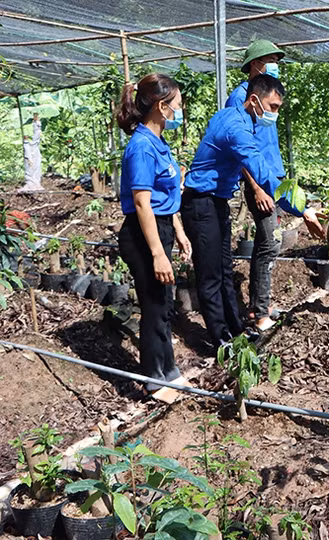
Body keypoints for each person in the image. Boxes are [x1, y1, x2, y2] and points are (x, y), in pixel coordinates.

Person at [182, 74, 323, 347]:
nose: (275, 114)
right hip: (200, 204)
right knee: (210, 276)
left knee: (224, 270)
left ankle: (235, 332)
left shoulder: (234, 117)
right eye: (273, 107)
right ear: (255, 100)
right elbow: (261, 172)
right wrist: (302, 209)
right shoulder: (237, 129)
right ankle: (220, 341)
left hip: (216, 202)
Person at [116, 74, 192, 404]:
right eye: (178, 104)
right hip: (142, 234)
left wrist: (179, 232)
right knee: (154, 305)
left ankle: (168, 371)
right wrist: (158, 254)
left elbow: (165, 197)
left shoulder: (158, 143)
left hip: (160, 228)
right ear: (162, 107)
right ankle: (153, 379)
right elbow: (142, 203)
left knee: (163, 304)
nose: (180, 110)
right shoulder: (142, 147)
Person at [226, 40, 290, 331]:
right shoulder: (241, 98)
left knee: (270, 242)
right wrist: (256, 188)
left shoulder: (268, 95)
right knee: (269, 242)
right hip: (261, 184)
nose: (276, 65)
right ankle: (259, 312)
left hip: (273, 179)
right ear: (255, 63)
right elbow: (239, 149)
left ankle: (260, 303)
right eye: (271, 60)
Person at [19, 113, 43, 192]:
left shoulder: (34, 143)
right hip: (30, 150)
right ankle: (31, 183)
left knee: (36, 167)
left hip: (34, 150)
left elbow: (37, 136)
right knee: (30, 168)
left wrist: (37, 123)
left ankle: (35, 182)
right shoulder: (27, 143)